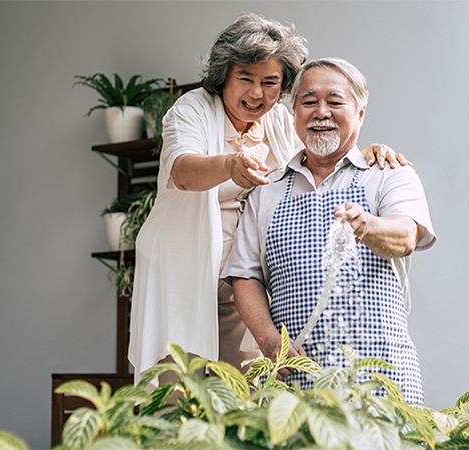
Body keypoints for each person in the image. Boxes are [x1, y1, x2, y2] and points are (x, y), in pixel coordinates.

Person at [128, 14, 407, 386]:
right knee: (181, 388)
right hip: (186, 269)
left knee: (245, 394)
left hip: (243, 279)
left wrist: (365, 149)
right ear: (223, 75)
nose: (257, 94)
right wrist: (230, 165)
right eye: (246, 78)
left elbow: (317, 158)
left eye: (270, 82)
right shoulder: (192, 108)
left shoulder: (278, 121)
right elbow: (182, 171)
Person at [222, 58, 436, 404]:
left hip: (380, 376)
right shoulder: (267, 191)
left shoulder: (388, 173)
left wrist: (367, 225)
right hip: (296, 381)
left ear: (360, 113)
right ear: (294, 115)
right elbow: (244, 275)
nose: (321, 112)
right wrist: (267, 339)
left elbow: (406, 235)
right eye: (309, 102)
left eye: (335, 102)